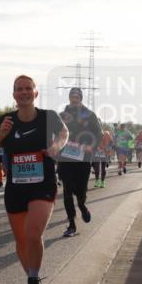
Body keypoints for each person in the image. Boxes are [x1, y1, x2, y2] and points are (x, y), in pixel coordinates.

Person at [0, 74, 68, 284]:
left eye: (28, 88)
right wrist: (1, 135)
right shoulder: (5, 121)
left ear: (35, 93)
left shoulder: (48, 116)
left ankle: (33, 281)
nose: (24, 92)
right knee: (21, 240)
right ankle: (31, 278)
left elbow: (64, 133)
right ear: (14, 94)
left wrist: (56, 147)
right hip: (16, 187)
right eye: (19, 89)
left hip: (43, 184)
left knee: (33, 233)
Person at [57, 87, 102, 238]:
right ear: (69, 98)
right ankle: (71, 224)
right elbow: (54, 134)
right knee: (67, 191)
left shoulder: (89, 115)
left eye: (77, 96)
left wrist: (91, 147)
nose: (74, 99)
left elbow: (99, 134)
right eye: (72, 96)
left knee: (81, 191)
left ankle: (82, 206)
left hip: (83, 158)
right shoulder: (62, 115)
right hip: (66, 158)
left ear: (81, 98)